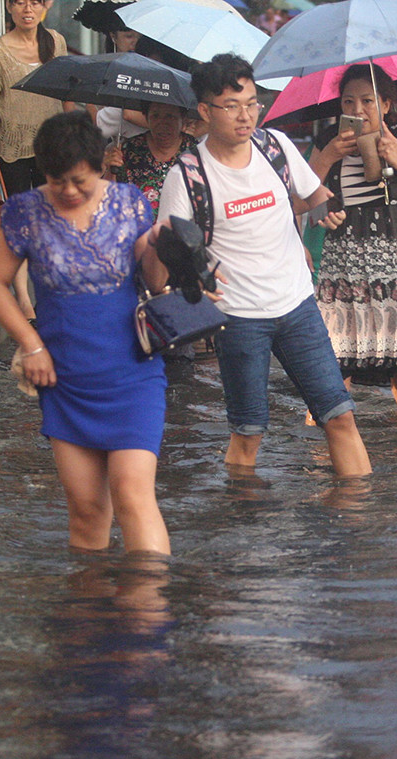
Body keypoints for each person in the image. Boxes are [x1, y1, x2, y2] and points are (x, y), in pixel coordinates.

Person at [156, 53, 372, 477]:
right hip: (238, 317)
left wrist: (327, 210)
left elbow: (312, 195)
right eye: (232, 106)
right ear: (204, 110)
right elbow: (167, 245)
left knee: (340, 416)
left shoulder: (275, 146)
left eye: (253, 103)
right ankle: (242, 527)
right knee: (248, 433)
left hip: (298, 306)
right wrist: (193, 272)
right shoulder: (188, 174)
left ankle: (362, 529)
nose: (246, 115)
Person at [0, 111, 171, 554]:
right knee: (85, 507)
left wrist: (164, 245)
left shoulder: (129, 203)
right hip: (64, 374)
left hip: (132, 370)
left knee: (132, 494)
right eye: (56, 179)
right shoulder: (25, 212)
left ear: (101, 165)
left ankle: (148, 612)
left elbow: (157, 283)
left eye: (79, 180)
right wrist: (31, 345)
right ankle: (89, 614)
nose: (68, 190)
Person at [309, 63, 397, 418]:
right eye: (348, 102)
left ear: (386, 104)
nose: (357, 111)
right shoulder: (328, 141)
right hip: (346, 275)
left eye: (367, 101)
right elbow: (301, 199)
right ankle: (320, 461)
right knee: (330, 380)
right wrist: (329, 156)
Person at [0, 0, 70, 322]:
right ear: (10, 8)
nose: (27, 9)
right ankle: (25, 303)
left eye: (34, 3)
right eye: (19, 3)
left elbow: (68, 92)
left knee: (52, 222)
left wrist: (76, 136)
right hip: (10, 151)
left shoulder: (55, 42)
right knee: (18, 226)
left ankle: (50, 295)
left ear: (46, 6)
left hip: (51, 148)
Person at [106, 103, 196, 217]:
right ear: (146, 118)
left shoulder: (196, 152)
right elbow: (108, 197)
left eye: (170, 116)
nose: (163, 123)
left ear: (183, 119)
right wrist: (111, 168)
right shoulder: (129, 149)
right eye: (155, 116)